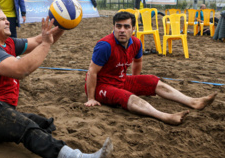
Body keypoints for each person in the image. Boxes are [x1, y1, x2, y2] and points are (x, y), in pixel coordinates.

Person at [0, 3, 113, 158]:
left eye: (6, 18)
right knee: (26, 128)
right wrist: (46, 45)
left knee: (42, 124)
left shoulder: (8, 43)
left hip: (0, 107)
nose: (7, 22)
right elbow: (21, 70)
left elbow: (37, 41)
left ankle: (49, 144)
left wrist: (63, 25)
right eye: (2, 19)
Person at [84, 11, 217, 125]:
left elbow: (138, 61)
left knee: (152, 80)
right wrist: (91, 98)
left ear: (133, 29)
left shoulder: (136, 43)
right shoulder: (105, 45)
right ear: (113, 28)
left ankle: (193, 102)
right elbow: (92, 71)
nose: (122, 30)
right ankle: (165, 116)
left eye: (126, 26)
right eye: (118, 26)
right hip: (101, 86)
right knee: (125, 96)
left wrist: (135, 82)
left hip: (121, 80)